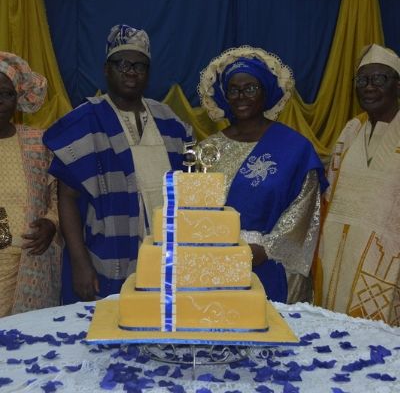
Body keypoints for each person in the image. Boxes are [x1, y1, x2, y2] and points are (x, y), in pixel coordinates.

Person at [43, 24, 193, 304]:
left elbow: (189, 187)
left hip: (165, 255)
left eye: (139, 65)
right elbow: (67, 197)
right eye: (122, 64)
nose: (131, 71)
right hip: (106, 255)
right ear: (106, 69)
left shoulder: (170, 122)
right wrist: (80, 262)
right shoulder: (86, 120)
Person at [198, 46, 328, 303]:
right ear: (225, 95)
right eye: (234, 89)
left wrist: (266, 249)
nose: (241, 96)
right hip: (215, 261)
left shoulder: (295, 148)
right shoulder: (207, 149)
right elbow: (194, 208)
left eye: (250, 88)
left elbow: (305, 208)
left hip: (271, 264)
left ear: (265, 92)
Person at [318, 44, 400, 326]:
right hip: (337, 251)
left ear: (397, 85)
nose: (369, 87)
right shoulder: (351, 129)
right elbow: (329, 192)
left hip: (387, 258)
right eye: (362, 80)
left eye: (379, 79)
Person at [0, 52, 61, 316]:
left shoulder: (38, 142)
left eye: (7, 93)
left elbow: (57, 195)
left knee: (27, 336)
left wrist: (51, 222)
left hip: (31, 261)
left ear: (18, 98)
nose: (0, 100)